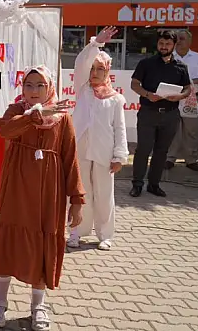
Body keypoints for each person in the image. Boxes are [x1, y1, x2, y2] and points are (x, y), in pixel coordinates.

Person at [0, 66, 84, 331]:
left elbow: (70, 157)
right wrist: (34, 116)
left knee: (43, 242)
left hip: (49, 191)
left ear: (49, 87)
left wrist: (76, 198)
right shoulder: (16, 111)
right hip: (17, 186)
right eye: (29, 85)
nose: (34, 91)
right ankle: (0, 302)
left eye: (40, 85)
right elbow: (6, 131)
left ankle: (38, 305)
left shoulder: (63, 118)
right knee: (10, 240)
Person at [67, 27, 128, 251]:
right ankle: (76, 232)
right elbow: (81, 62)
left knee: (104, 194)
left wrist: (119, 156)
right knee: (80, 193)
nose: (94, 73)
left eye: (99, 69)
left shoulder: (116, 99)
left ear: (107, 71)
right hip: (80, 150)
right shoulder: (83, 89)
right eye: (92, 69)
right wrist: (95, 45)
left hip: (104, 152)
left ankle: (105, 235)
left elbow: (120, 128)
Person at [129, 30, 191, 198]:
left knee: (161, 151)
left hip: (170, 115)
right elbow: (134, 84)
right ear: (157, 44)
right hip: (148, 113)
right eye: (161, 44)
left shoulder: (181, 67)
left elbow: (187, 88)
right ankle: (137, 184)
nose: (164, 47)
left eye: (168, 44)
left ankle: (154, 184)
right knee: (143, 150)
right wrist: (148, 94)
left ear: (174, 45)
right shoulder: (146, 63)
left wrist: (179, 96)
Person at [167, 29, 198, 172]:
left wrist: (194, 81)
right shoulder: (168, 57)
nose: (179, 41)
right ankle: (169, 158)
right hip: (172, 99)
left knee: (191, 131)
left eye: (182, 38)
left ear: (190, 41)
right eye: (177, 39)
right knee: (172, 130)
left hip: (193, 100)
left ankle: (191, 159)